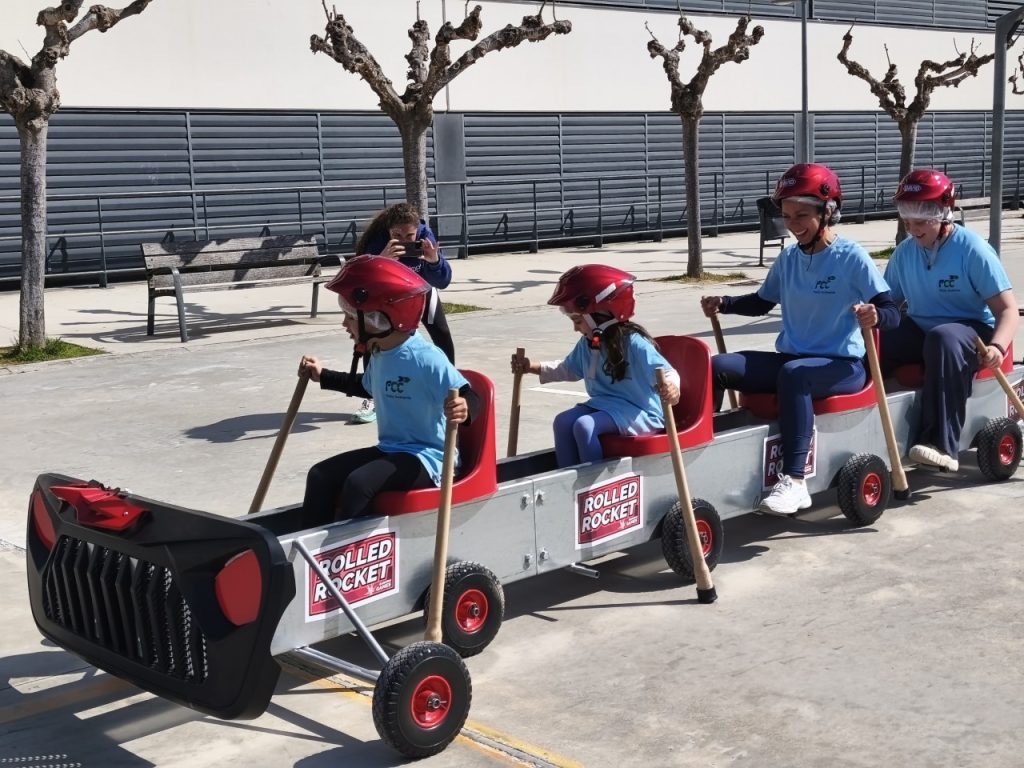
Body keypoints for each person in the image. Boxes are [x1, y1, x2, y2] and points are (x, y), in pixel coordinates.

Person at [701, 163, 901, 516]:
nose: (793, 225)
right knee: (716, 366)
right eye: (787, 216)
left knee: (795, 375)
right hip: (793, 359)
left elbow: (891, 311)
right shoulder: (789, 258)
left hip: (843, 365)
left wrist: (875, 315)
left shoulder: (850, 257)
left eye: (802, 215)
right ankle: (703, 457)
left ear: (828, 212)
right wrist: (725, 303)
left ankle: (795, 481)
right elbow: (762, 302)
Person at [298, 255, 478, 526]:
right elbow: (367, 387)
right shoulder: (380, 352)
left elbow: (470, 395)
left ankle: (352, 549)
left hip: (430, 459)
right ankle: (311, 545)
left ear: (379, 319)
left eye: (350, 316)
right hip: (391, 450)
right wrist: (322, 376)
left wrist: (465, 407)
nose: (344, 324)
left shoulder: (425, 358)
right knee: (320, 475)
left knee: (359, 484)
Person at [880, 169, 1020, 472]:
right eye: (907, 222)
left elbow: (1008, 310)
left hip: (972, 331)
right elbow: (888, 304)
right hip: (923, 329)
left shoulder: (973, 250)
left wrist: (998, 346)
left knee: (943, 337)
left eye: (921, 222)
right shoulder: (904, 253)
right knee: (880, 336)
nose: (913, 230)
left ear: (943, 214)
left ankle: (941, 444)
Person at [510, 264, 680, 468]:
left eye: (578, 321)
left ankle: (593, 483)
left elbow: (668, 372)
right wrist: (531, 366)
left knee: (585, 426)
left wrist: (671, 388)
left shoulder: (634, 343)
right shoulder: (588, 344)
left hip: (641, 412)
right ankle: (566, 477)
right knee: (562, 422)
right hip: (605, 405)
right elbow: (568, 369)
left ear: (600, 316)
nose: (575, 329)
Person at [349, 203, 455, 424]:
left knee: (442, 333)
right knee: (372, 339)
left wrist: (434, 262)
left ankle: (451, 390)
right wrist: (380, 261)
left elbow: (443, 281)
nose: (404, 241)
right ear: (388, 230)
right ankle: (372, 397)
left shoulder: (426, 237)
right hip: (388, 296)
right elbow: (362, 282)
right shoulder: (377, 241)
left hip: (420, 290)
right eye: (397, 235)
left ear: (417, 230)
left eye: (409, 236)